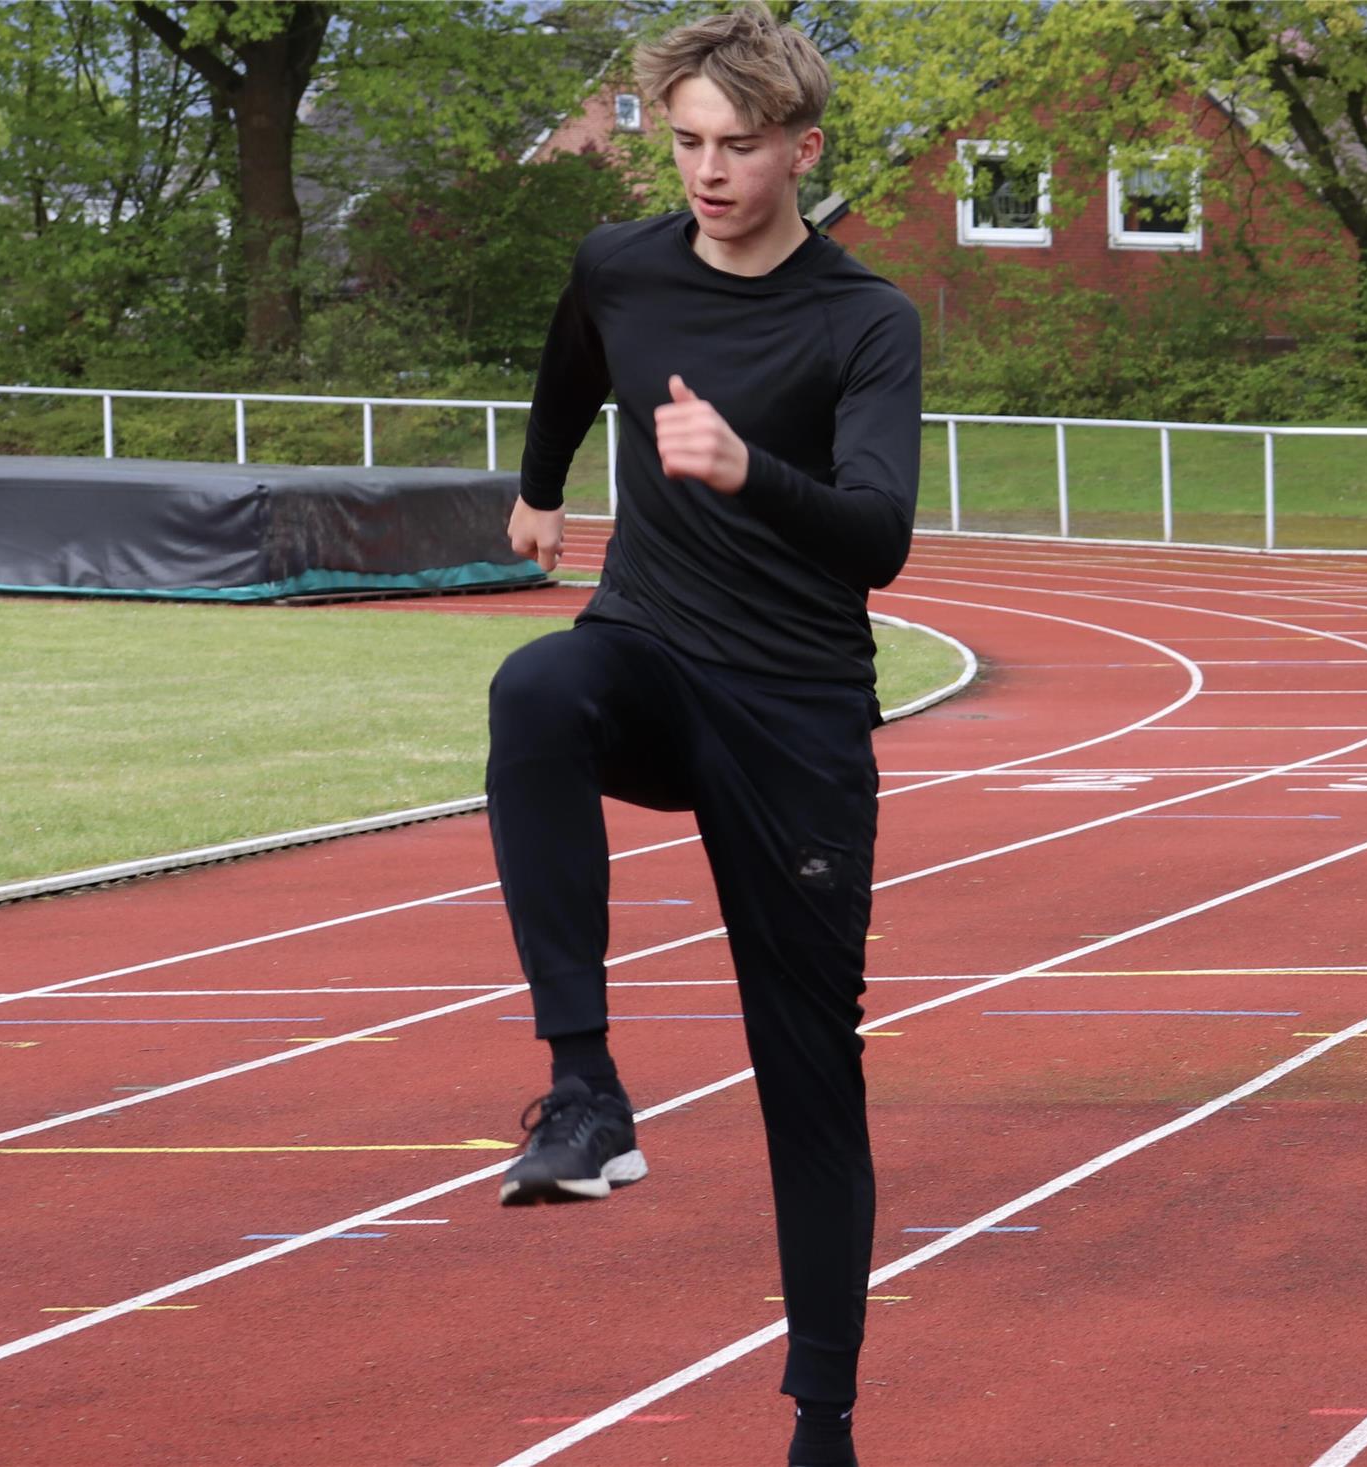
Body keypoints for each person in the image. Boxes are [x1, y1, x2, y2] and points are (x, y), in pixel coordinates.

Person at [485, 6, 920, 1464]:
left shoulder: (863, 320)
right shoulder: (621, 265)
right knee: (535, 687)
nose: (710, 173)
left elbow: (879, 541)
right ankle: (586, 1087)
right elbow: (570, 354)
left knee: (810, 1075)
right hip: (651, 661)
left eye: (740, 147)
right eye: (687, 144)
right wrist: (542, 486)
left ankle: (824, 1419)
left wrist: (748, 471)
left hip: (793, 718)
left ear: (802, 148)